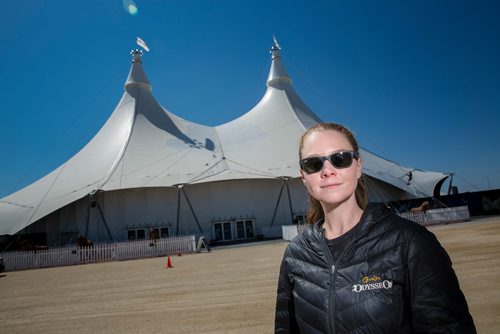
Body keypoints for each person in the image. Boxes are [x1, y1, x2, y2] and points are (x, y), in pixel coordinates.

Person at [275, 122, 476, 333]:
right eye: (313, 164)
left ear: (358, 166)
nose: (327, 171)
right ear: (304, 177)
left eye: (340, 159)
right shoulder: (296, 254)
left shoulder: (410, 242)